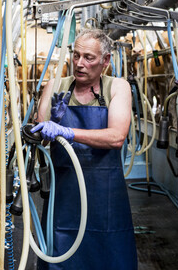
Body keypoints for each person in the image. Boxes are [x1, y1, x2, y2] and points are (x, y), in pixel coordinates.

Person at [32, 29, 137, 270]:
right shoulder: (56, 85)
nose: (79, 63)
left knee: (109, 252)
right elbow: (42, 137)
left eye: (89, 57)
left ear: (105, 61)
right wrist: (44, 127)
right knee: (61, 253)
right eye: (76, 55)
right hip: (64, 193)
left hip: (105, 195)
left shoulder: (117, 87)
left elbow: (116, 137)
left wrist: (67, 132)